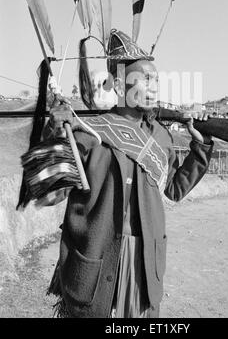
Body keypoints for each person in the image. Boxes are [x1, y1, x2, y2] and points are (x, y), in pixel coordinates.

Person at [46, 29, 214, 318]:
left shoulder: (161, 138)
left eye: (156, 80)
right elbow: (52, 190)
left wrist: (201, 145)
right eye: (145, 79)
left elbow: (174, 189)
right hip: (96, 260)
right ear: (121, 84)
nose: (154, 87)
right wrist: (57, 132)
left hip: (143, 263)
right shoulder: (88, 133)